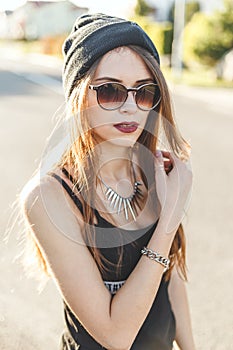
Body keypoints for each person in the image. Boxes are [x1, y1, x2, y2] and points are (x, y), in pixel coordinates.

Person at [21, 13, 196, 350]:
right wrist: (169, 220)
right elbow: (116, 336)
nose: (130, 107)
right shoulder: (49, 197)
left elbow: (170, 277)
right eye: (111, 91)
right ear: (80, 97)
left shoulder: (155, 173)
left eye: (144, 93)